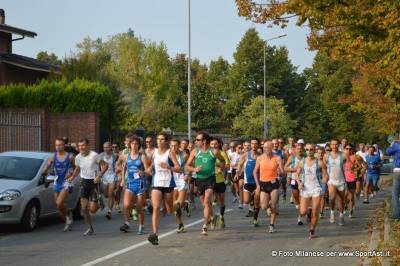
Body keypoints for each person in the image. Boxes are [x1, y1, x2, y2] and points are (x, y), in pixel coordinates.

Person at [185, 132, 226, 236]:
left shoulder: (214, 152)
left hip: (211, 179)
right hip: (200, 180)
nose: (195, 141)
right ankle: (213, 216)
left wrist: (220, 168)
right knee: (205, 204)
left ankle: (205, 226)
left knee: (208, 199)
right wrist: (194, 169)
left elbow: (223, 161)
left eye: (198, 140)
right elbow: (187, 166)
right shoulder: (195, 152)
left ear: (204, 141)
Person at [147, 132, 182, 245]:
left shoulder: (169, 153)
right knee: (156, 207)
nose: (159, 141)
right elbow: (151, 166)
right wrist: (147, 170)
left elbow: (178, 168)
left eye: (162, 139)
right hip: (156, 183)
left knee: (169, 209)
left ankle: (176, 206)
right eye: (158, 139)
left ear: (166, 141)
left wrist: (168, 167)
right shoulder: (153, 152)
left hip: (168, 183)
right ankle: (155, 234)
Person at [70, 138, 108, 236]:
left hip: (94, 183)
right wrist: (72, 177)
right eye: (79, 146)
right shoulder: (78, 157)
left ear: (88, 146)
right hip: (84, 182)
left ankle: (100, 203)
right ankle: (89, 228)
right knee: (83, 209)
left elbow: (105, 166)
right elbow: (78, 168)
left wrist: (99, 176)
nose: (81, 147)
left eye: (83, 145)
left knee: (93, 210)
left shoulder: (94, 155)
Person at [42, 138, 76, 232]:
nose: (58, 147)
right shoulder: (53, 157)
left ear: (64, 145)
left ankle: (68, 217)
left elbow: (77, 167)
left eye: (60, 145)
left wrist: (72, 174)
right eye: (56, 145)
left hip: (67, 182)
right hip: (57, 181)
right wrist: (45, 170)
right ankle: (67, 220)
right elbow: (47, 165)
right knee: (58, 207)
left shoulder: (70, 157)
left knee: (59, 202)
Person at [296, 143, 328, 239]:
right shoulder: (302, 162)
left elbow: (326, 175)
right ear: (305, 151)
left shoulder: (320, 163)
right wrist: (299, 183)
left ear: (314, 151)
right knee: (302, 212)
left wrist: (324, 180)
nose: (309, 151)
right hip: (305, 189)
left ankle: (312, 230)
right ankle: (307, 211)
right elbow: (297, 175)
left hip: (316, 188)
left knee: (315, 211)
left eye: (311, 150)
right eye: (307, 150)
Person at [120, 136, 151, 234]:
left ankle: (141, 226)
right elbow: (123, 167)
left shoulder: (142, 156)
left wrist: (143, 172)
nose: (134, 145)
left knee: (139, 208)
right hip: (130, 182)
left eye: (136, 144)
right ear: (130, 145)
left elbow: (148, 171)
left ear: (139, 145)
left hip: (140, 184)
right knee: (126, 205)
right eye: (132, 143)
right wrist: (122, 180)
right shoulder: (125, 156)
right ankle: (127, 223)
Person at [253, 141, 284, 233]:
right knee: (263, 206)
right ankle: (269, 206)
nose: (266, 149)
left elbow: (282, 172)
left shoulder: (277, 158)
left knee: (273, 205)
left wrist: (280, 172)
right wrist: (258, 184)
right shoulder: (260, 158)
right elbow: (255, 171)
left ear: (272, 148)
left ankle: (271, 225)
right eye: (264, 147)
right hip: (263, 183)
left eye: (268, 147)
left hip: (273, 183)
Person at [236, 137, 260, 226]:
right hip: (248, 182)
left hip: (257, 182)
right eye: (252, 143)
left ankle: (255, 219)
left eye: (255, 143)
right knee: (246, 201)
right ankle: (251, 200)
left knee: (257, 203)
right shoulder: (246, 155)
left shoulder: (260, 156)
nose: (254, 145)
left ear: (258, 145)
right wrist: (237, 172)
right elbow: (240, 164)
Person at [170, 138, 192, 231]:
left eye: (175, 145)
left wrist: (187, 175)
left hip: (181, 179)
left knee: (178, 204)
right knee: (175, 206)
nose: (173, 147)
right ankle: (180, 224)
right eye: (171, 146)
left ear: (179, 146)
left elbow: (190, 166)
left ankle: (185, 204)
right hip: (171, 180)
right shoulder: (167, 155)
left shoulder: (184, 155)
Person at [324, 139, 346, 226]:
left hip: (341, 181)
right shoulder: (326, 156)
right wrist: (325, 176)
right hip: (331, 181)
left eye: (336, 144)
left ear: (339, 145)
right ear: (330, 146)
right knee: (332, 198)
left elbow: (350, 165)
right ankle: (332, 212)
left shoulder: (343, 155)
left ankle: (341, 216)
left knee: (341, 201)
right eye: (332, 145)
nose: (334, 146)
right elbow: (323, 167)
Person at [210, 137, 230, 228]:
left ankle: (221, 216)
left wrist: (221, 168)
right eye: (212, 144)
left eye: (215, 144)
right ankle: (212, 217)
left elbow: (228, 167)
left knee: (220, 201)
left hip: (220, 180)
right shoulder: (208, 154)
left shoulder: (222, 153)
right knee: (207, 200)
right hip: (209, 180)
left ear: (219, 144)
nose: (214, 145)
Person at [285, 143, 304, 225]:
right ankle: (299, 206)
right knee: (297, 199)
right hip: (294, 180)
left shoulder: (306, 158)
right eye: (298, 148)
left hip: (303, 181)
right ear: (295, 149)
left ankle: (299, 218)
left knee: (301, 199)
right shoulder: (292, 158)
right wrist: (294, 169)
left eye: (301, 148)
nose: (299, 150)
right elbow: (285, 167)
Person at [100, 142, 118, 220]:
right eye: (104, 147)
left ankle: (109, 211)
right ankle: (111, 198)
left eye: (107, 147)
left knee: (110, 194)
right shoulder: (100, 156)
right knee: (106, 194)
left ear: (110, 147)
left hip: (112, 175)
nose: (106, 149)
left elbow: (119, 163)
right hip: (104, 176)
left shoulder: (114, 155)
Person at [386, 137, 400, 219]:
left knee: (395, 194)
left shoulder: (397, 145)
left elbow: (388, 151)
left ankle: (396, 215)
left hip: (398, 170)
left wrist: (392, 144)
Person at [343, 144, 357, 218]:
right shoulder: (342, 157)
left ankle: (351, 210)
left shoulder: (355, 157)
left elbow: (360, 166)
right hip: (343, 179)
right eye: (347, 148)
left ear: (352, 149)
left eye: (350, 149)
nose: (348, 150)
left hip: (352, 178)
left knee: (351, 196)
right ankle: (345, 205)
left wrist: (358, 172)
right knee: (345, 195)